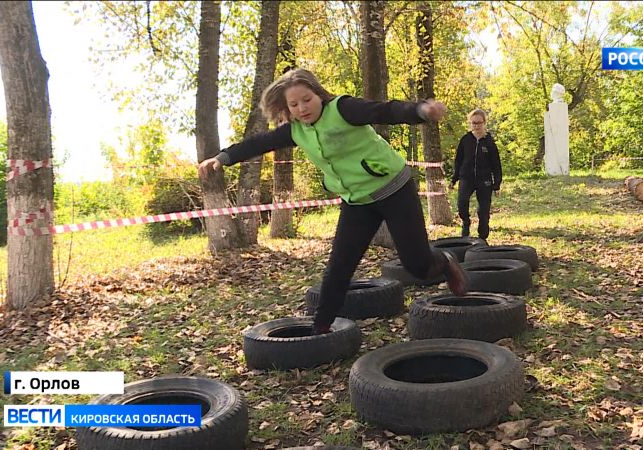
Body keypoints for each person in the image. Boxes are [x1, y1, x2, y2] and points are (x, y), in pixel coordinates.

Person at [199, 68, 467, 335]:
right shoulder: (295, 131)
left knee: (417, 265)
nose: (302, 108)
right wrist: (223, 158)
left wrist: (420, 110)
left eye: (307, 99)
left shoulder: (343, 109)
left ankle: (444, 262)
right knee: (339, 267)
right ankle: (320, 330)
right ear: (287, 108)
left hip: (394, 190)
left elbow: (384, 111)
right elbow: (259, 143)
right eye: (294, 104)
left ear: (319, 94)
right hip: (356, 202)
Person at [450, 108, 502, 240]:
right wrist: (454, 179)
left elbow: (496, 164)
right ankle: (466, 223)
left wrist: (497, 184)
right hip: (466, 178)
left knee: (483, 210)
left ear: (484, 123)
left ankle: (482, 236)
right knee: (462, 203)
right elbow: (458, 160)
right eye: (473, 123)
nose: (476, 126)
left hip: (484, 179)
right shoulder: (465, 140)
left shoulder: (489, 142)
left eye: (479, 123)